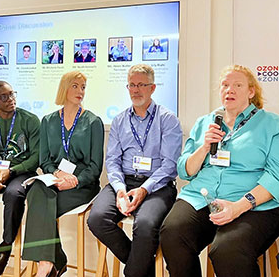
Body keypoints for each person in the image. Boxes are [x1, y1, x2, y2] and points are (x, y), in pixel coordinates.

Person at [160, 65, 279, 277]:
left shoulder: (271, 124)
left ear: (251, 92)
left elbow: (275, 177)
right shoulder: (206, 122)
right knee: (172, 234)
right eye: (225, 85)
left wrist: (239, 207)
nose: (229, 90)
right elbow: (185, 170)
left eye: (237, 85)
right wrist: (204, 147)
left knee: (227, 250)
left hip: (250, 203)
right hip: (201, 197)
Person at [88, 64, 182, 277]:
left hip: (157, 185)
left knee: (146, 225)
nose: (135, 90)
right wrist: (120, 190)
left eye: (141, 85)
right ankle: (142, 267)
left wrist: (144, 190)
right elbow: (112, 161)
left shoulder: (167, 119)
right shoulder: (120, 120)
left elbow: (170, 165)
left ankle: (134, 271)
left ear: (153, 88)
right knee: (97, 219)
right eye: (132, 85)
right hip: (124, 181)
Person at [22, 71, 104, 277]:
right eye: (75, 86)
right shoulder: (48, 121)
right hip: (56, 180)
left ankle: (50, 263)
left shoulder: (93, 122)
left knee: (40, 207)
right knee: (35, 189)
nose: (80, 91)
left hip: (82, 186)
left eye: (83, 87)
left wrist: (74, 180)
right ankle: (50, 262)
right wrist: (55, 172)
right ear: (64, 88)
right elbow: (44, 160)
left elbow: (95, 167)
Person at [0, 81, 40, 277]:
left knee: (14, 195)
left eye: (12, 94)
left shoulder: (30, 120)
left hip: (22, 172)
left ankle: (5, 249)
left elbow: (37, 156)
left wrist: (12, 171)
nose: (11, 100)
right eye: (4, 97)